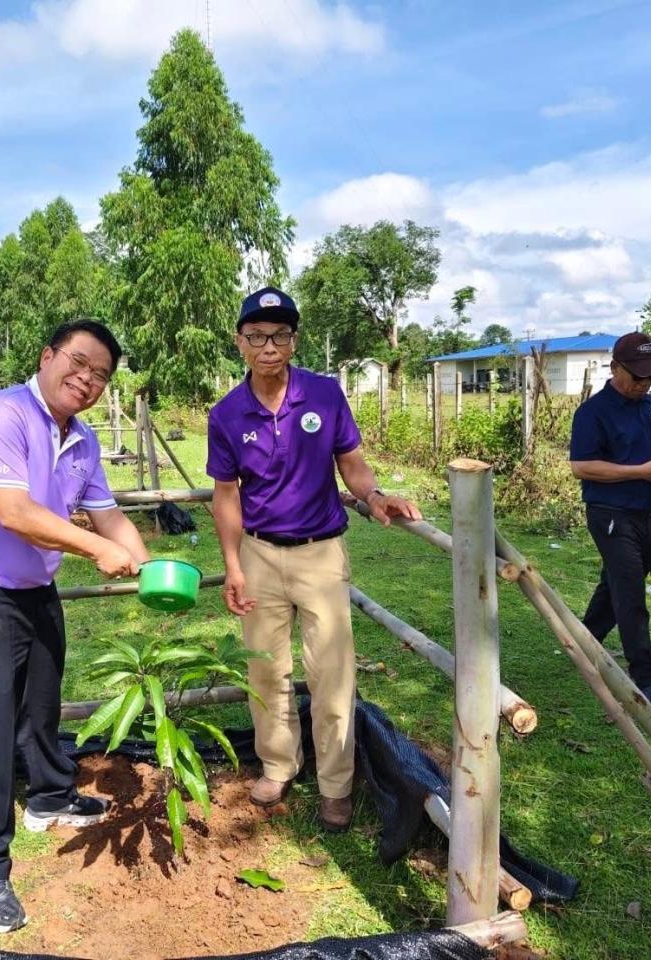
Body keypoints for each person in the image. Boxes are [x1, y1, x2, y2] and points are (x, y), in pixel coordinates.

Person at [0, 319, 151, 934]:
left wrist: (150, 565)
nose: (86, 379)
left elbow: (108, 517)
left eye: (100, 374)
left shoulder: (80, 440)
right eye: (77, 363)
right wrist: (95, 551)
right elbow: (15, 512)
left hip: (33, 589)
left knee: (40, 708)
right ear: (47, 356)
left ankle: (50, 798)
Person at [207, 287, 422, 833]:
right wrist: (232, 565)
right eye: (256, 336)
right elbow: (227, 495)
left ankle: (335, 784)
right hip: (257, 553)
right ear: (240, 343)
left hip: (321, 553)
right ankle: (278, 765)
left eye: (279, 335)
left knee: (331, 672)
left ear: (294, 340)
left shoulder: (325, 396)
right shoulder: (228, 414)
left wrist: (375, 498)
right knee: (265, 668)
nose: (269, 346)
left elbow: (351, 464)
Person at [569, 332, 651, 714]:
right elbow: (581, 467)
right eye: (637, 377)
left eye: (650, 377)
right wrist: (640, 472)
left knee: (618, 584)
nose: (643, 384)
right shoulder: (593, 413)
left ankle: (583, 641)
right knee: (631, 596)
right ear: (615, 368)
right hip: (611, 514)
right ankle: (647, 678)